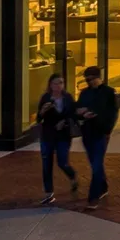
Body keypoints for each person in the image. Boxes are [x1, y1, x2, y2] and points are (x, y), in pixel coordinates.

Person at [74, 65, 119, 211]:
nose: (90, 82)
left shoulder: (109, 93)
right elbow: (78, 110)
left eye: (93, 79)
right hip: (87, 132)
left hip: (101, 133)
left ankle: (93, 197)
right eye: (88, 80)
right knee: (94, 162)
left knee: (96, 164)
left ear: (100, 78)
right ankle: (103, 185)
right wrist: (82, 114)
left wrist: (106, 129)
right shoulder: (84, 93)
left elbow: (112, 113)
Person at [35, 73, 79, 205]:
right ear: (50, 85)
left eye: (61, 83)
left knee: (62, 161)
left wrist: (65, 122)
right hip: (48, 135)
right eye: (55, 83)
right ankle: (49, 193)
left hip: (63, 135)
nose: (58, 86)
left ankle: (72, 175)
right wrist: (43, 111)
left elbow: (73, 115)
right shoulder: (46, 98)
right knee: (46, 163)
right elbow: (39, 118)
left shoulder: (68, 98)